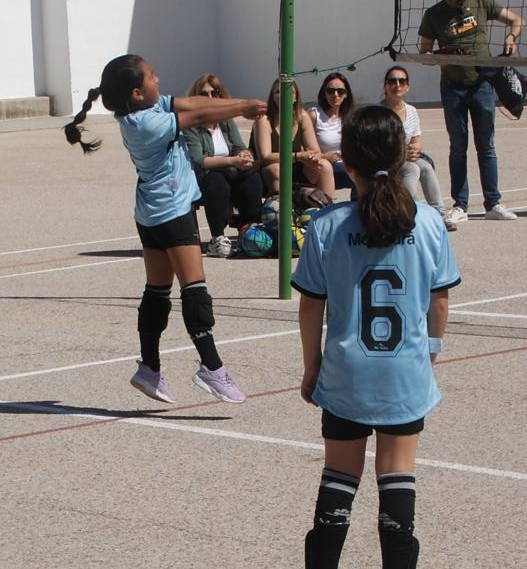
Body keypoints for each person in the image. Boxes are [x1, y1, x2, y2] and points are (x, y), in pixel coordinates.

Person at [292, 105, 460, 569]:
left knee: (338, 475)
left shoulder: (326, 225)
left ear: (347, 162)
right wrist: (430, 353)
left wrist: (312, 366)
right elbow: (439, 302)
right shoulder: (427, 222)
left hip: (345, 371)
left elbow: (310, 307)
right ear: (402, 155)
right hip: (403, 373)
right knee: (397, 475)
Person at [64, 54, 266, 405]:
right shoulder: (147, 124)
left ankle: (150, 368)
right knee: (195, 290)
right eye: (152, 76)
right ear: (136, 92)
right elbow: (197, 117)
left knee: (157, 292)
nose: (158, 79)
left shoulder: (144, 108)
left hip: (150, 212)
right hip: (172, 211)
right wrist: (243, 108)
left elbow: (194, 103)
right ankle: (212, 368)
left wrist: (242, 103)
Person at [418, 0, 525, 225]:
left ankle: (493, 203)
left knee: (486, 146)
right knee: (458, 147)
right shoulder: (433, 15)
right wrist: (441, 57)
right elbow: (424, 53)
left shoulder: (480, 1)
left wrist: (511, 37)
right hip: (453, 87)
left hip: (482, 85)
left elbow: (517, 20)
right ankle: (460, 205)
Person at [183, 74, 264, 258]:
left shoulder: (226, 120)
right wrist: (233, 161)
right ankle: (217, 238)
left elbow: (239, 146)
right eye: (204, 94)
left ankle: (248, 231)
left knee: (252, 178)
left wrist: (244, 155)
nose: (210, 98)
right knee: (216, 181)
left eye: (215, 93)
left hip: (230, 169)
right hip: (205, 174)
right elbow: (200, 160)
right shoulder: (191, 124)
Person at [382, 65, 456, 232]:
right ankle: (413, 211)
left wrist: (414, 149)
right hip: (387, 159)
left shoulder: (411, 111)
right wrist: (401, 154)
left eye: (402, 81)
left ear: (407, 86)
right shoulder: (379, 112)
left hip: (405, 157)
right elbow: (377, 144)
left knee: (426, 167)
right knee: (412, 169)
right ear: (385, 86)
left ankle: (439, 215)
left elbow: (416, 140)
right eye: (392, 81)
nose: (397, 85)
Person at [252, 78, 335, 199]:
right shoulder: (264, 119)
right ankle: (280, 207)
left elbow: (315, 150)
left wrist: (314, 156)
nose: (283, 96)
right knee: (277, 169)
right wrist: (298, 156)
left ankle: (327, 206)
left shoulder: (302, 116)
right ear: (273, 97)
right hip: (269, 170)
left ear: (296, 98)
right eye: (278, 92)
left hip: (296, 166)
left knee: (324, 166)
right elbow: (265, 157)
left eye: (289, 92)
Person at [308, 72, 354, 191]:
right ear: (324, 93)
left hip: (346, 163)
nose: (335, 95)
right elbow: (302, 147)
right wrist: (324, 156)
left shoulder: (349, 116)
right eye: (330, 91)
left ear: (346, 94)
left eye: (340, 91)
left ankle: (358, 202)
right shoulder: (314, 115)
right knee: (358, 173)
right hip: (324, 165)